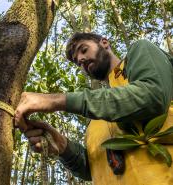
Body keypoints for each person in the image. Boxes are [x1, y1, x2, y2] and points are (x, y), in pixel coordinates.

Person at [15, 32, 173, 184]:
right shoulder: (95, 121)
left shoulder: (139, 51)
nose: (82, 60)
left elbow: (153, 95)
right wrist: (62, 145)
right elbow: (94, 168)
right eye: (78, 63)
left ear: (104, 43)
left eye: (84, 50)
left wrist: (57, 100)